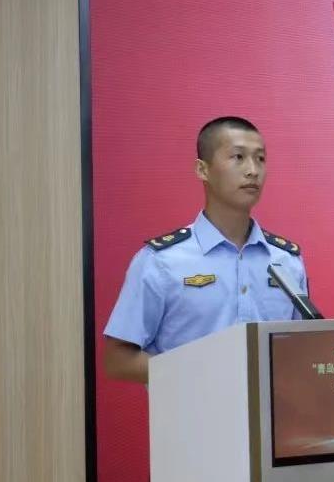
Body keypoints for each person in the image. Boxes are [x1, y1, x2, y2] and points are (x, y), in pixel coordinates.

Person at [102, 116, 309, 383]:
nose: (252, 170)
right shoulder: (161, 261)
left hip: (272, 410)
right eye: (238, 157)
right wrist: (206, 375)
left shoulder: (286, 260)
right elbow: (118, 359)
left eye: (260, 159)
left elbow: (303, 349)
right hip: (192, 408)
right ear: (202, 169)